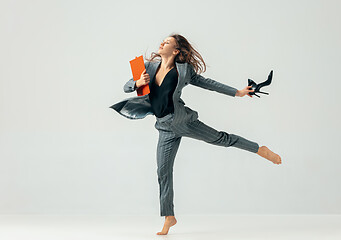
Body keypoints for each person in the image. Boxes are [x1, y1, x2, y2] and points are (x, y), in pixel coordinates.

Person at [110, 33, 282, 235]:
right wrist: (138, 83)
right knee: (163, 172)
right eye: (163, 40)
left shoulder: (183, 70)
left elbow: (209, 83)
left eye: (167, 42)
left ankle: (259, 149)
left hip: (183, 122)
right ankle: (169, 217)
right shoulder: (146, 67)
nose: (162, 42)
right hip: (164, 127)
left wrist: (238, 92)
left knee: (222, 139)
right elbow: (126, 87)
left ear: (175, 51)